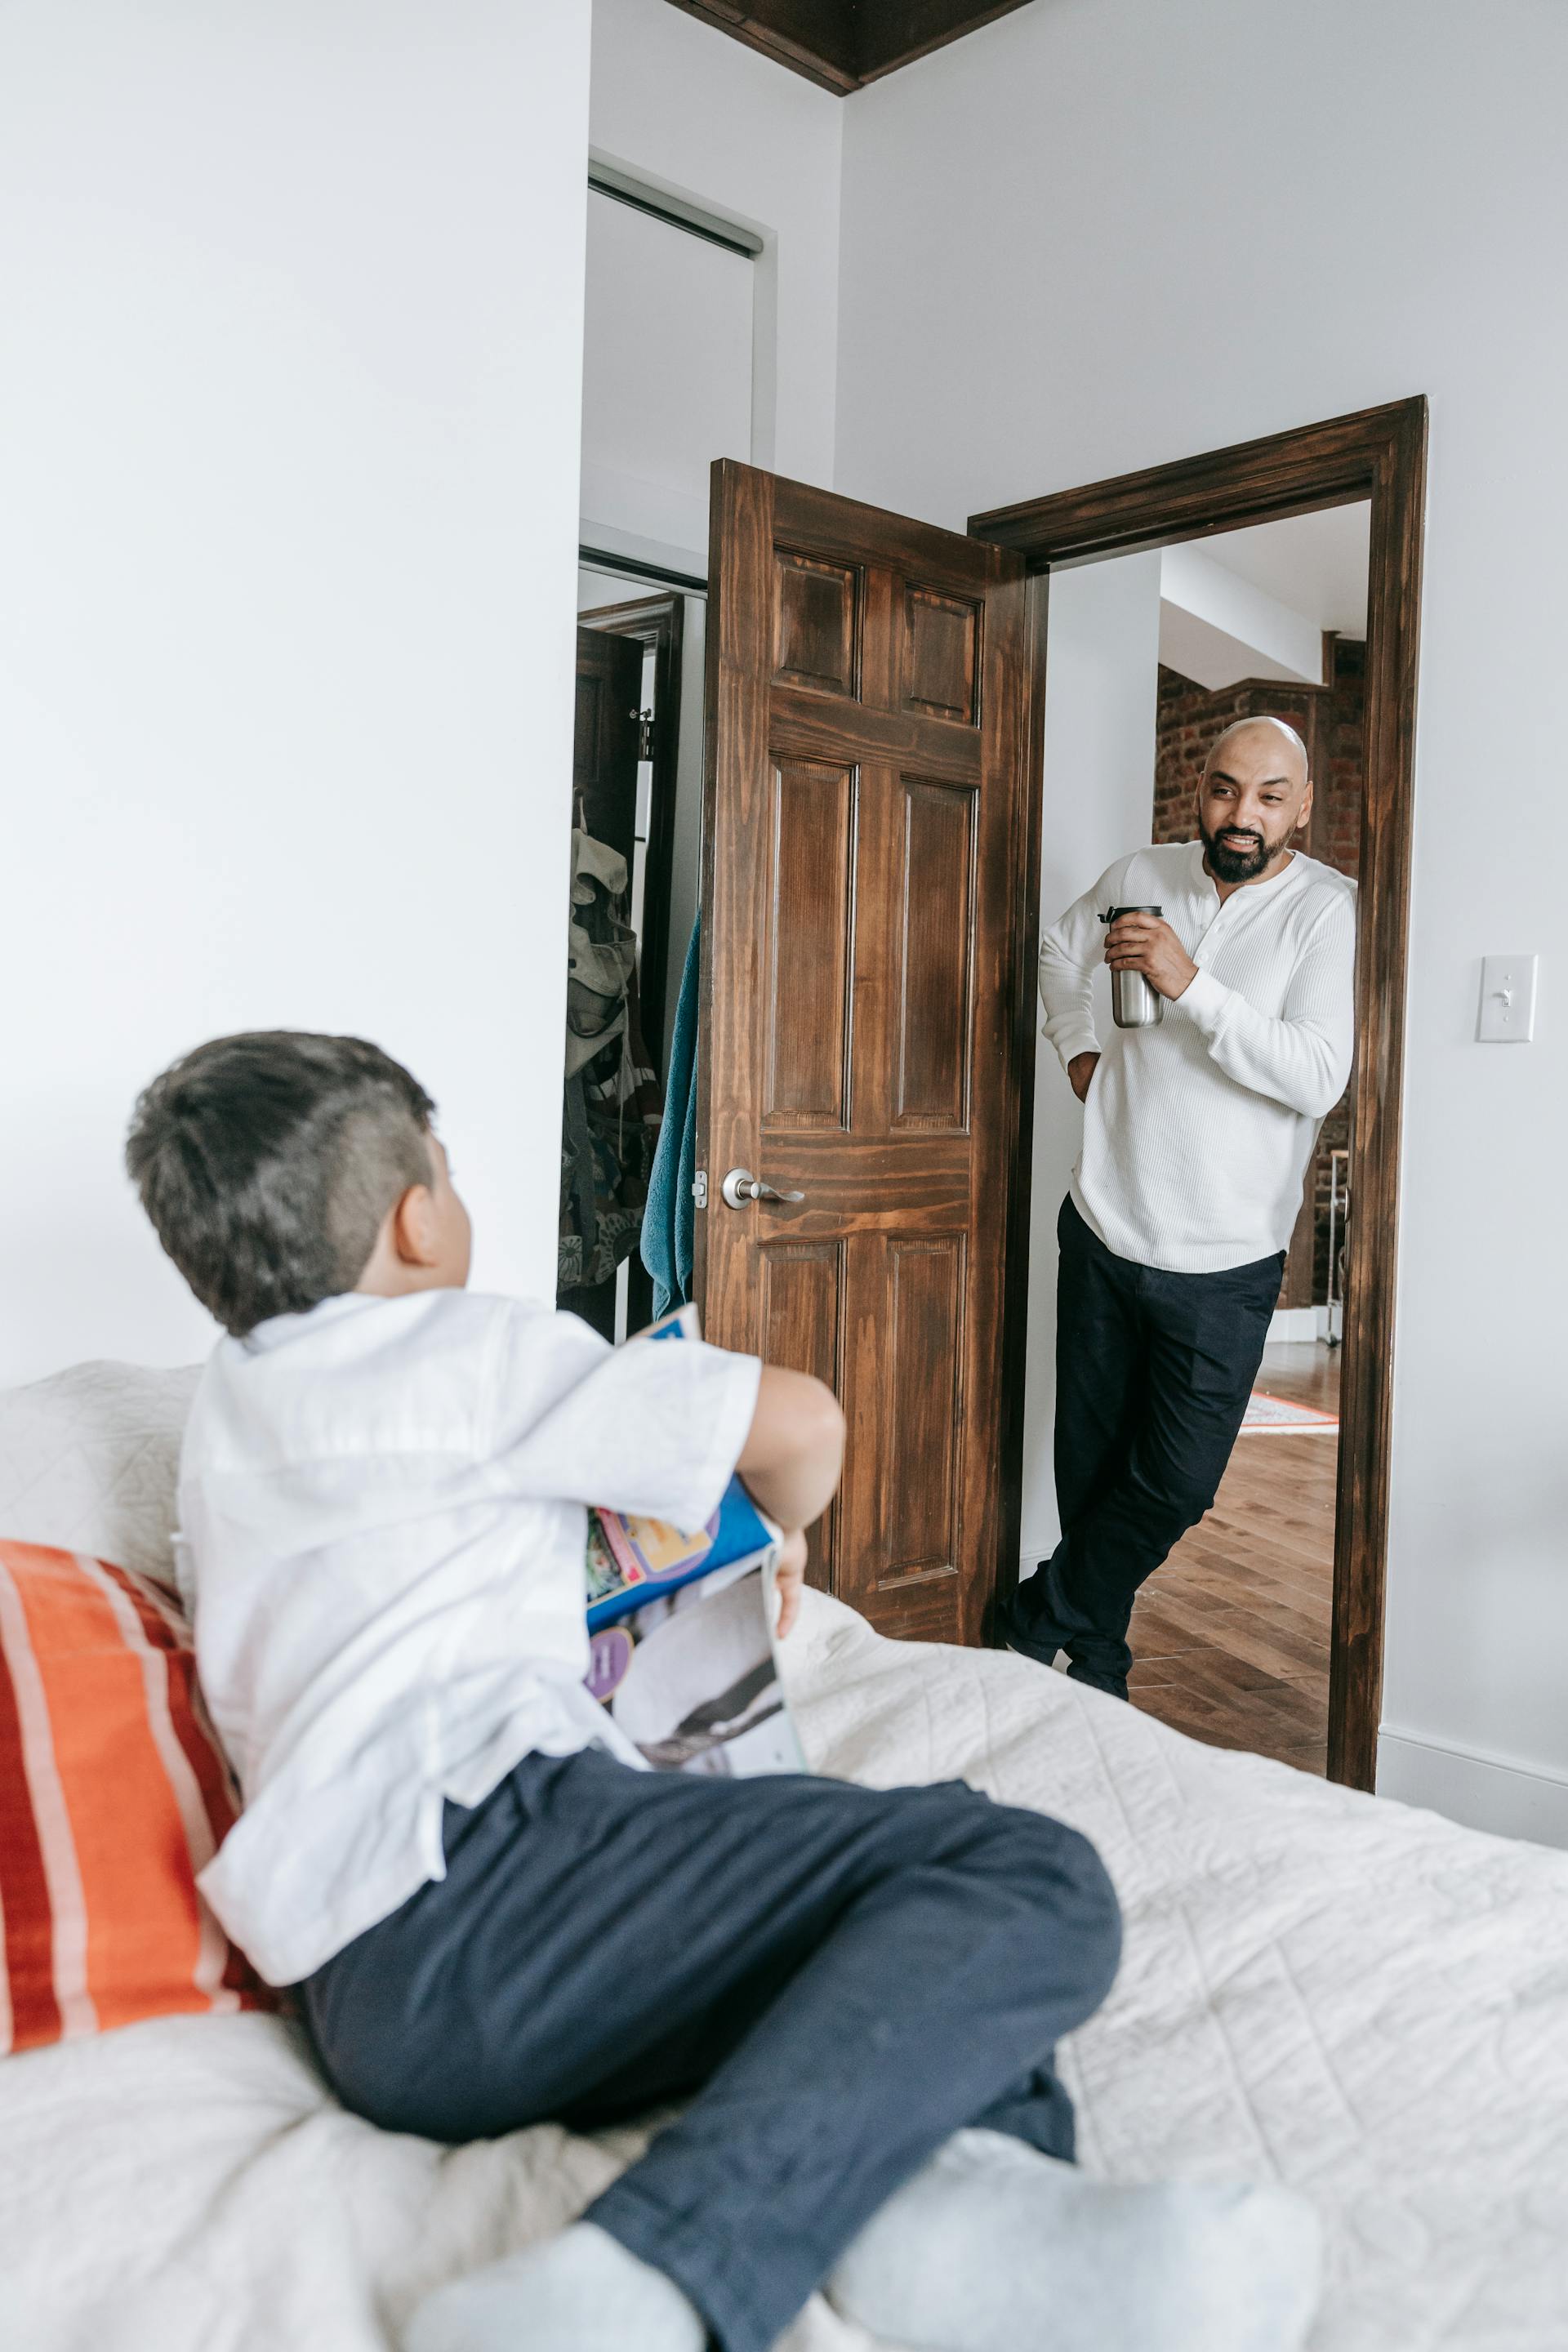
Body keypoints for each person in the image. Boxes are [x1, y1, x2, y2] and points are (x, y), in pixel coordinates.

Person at [127, 1028, 1321, 2352]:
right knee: (1012, 1870)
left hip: (382, 2009)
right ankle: (649, 2278)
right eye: (453, 1180)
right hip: (495, 1862)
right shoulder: (461, 1349)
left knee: (865, 1963)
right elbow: (805, 1426)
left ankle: (946, 2217)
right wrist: (786, 1525)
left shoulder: (227, 1428)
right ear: (419, 1217)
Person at [1002, 716, 1356, 1704]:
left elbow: (1316, 1078)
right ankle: (1099, 1659)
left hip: (1228, 1258)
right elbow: (1056, 953)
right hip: (1107, 1224)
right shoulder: (1139, 872)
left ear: (1303, 806)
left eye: (1270, 795)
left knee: (1176, 1483)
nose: (1242, 814)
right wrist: (1079, 1048)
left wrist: (1188, 984)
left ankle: (1038, 1616)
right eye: (1225, 788)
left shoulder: (1330, 912)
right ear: (1199, 787)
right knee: (1090, 1460)